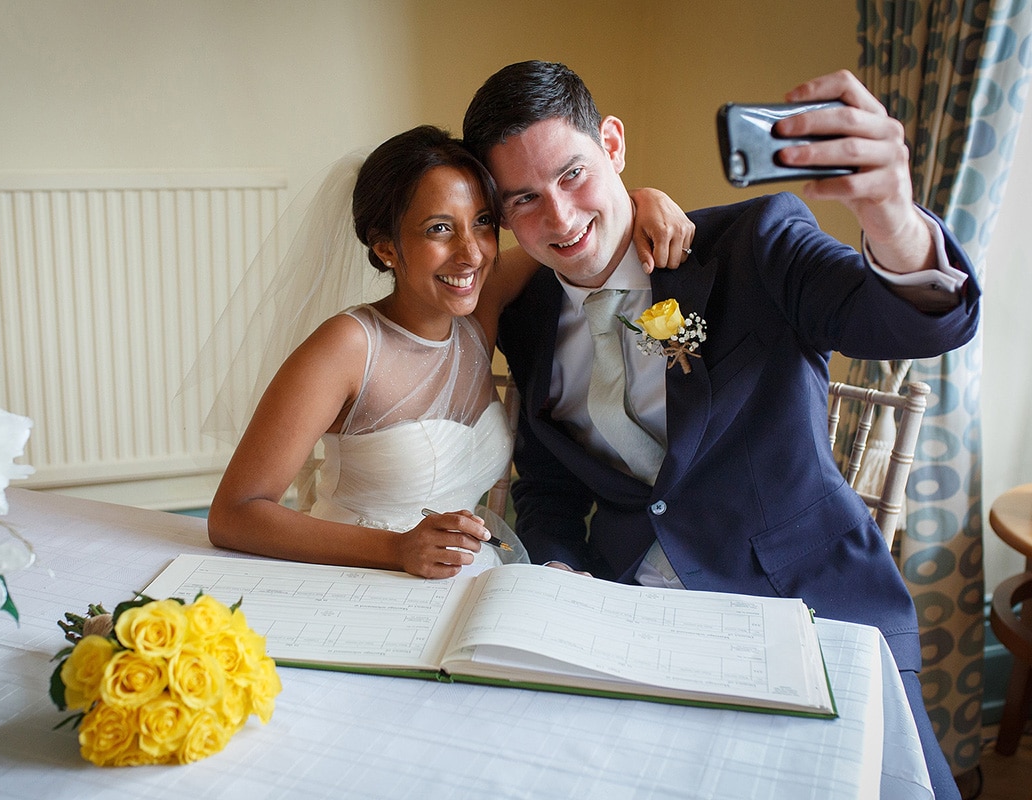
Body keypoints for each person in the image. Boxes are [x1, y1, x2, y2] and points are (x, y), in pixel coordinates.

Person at [462, 61, 979, 797]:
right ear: (505, 215)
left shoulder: (753, 245)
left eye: (572, 174)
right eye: (525, 199)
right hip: (624, 624)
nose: (561, 218)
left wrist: (890, 208)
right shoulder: (529, 317)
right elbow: (544, 489)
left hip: (803, 607)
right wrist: (558, 572)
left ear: (612, 143)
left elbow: (917, 321)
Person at [202, 125, 692, 580]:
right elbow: (234, 513)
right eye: (439, 228)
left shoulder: (481, 306)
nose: (471, 252)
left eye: (481, 222)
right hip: (355, 576)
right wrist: (394, 550)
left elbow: (567, 239)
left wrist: (643, 202)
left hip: (463, 577)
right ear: (386, 248)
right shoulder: (348, 346)